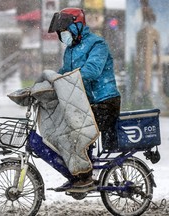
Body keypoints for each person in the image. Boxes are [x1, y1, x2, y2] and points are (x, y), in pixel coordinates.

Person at [48, 8, 121, 189]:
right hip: (87, 103)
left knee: (78, 131)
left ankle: (85, 177)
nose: (63, 35)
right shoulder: (70, 51)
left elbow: (92, 71)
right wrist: (49, 83)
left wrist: (66, 79)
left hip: (105, 102)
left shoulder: (97, 44)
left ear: (77, 26)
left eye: (65, 31)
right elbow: (64, 73)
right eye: (60, 33)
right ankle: (78, 173)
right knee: (64, 129)